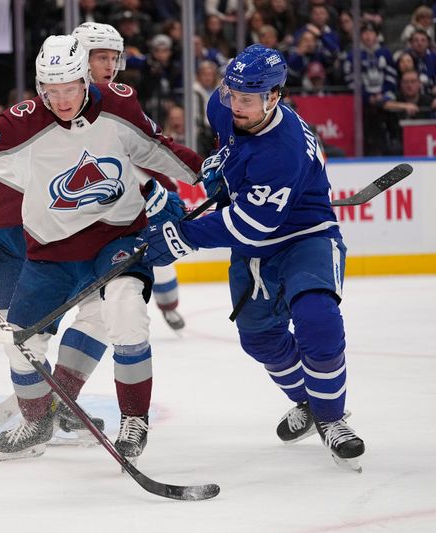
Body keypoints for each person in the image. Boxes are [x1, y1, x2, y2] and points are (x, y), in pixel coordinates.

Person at [0, 35, 201, 462]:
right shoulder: (25, 120)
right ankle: (24, 414)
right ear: (40, 85)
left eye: (71, 87)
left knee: (120, 311)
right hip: (41, 239)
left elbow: (156, 151)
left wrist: (206, 173)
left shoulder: (119, 104)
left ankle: (110, 415)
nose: (63, 99)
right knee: (15, 332)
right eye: (52, 90)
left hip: (113, 236)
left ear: (86, 76)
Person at [136, 44, 365, 471]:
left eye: (246, 98)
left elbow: (251, 225)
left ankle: (332, 418)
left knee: (318, 318)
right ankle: (308, 400)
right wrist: (221, 176)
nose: (234, 104)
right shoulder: (222, 107)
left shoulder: (284, 150)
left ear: (274, 97)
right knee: (259, 338)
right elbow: (233, 168)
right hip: (257, 246)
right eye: (231, 92)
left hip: (304, 236)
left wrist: (183, 235)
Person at [74, 21, 187, 330]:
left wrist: (162, 187)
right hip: (85, 205)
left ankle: (167, 305)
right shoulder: (60, 98)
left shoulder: (121, 99)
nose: (112, 67)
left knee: (154, 249)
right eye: (102, 58)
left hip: (125, 196)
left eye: (115, 58)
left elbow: (149, 146)